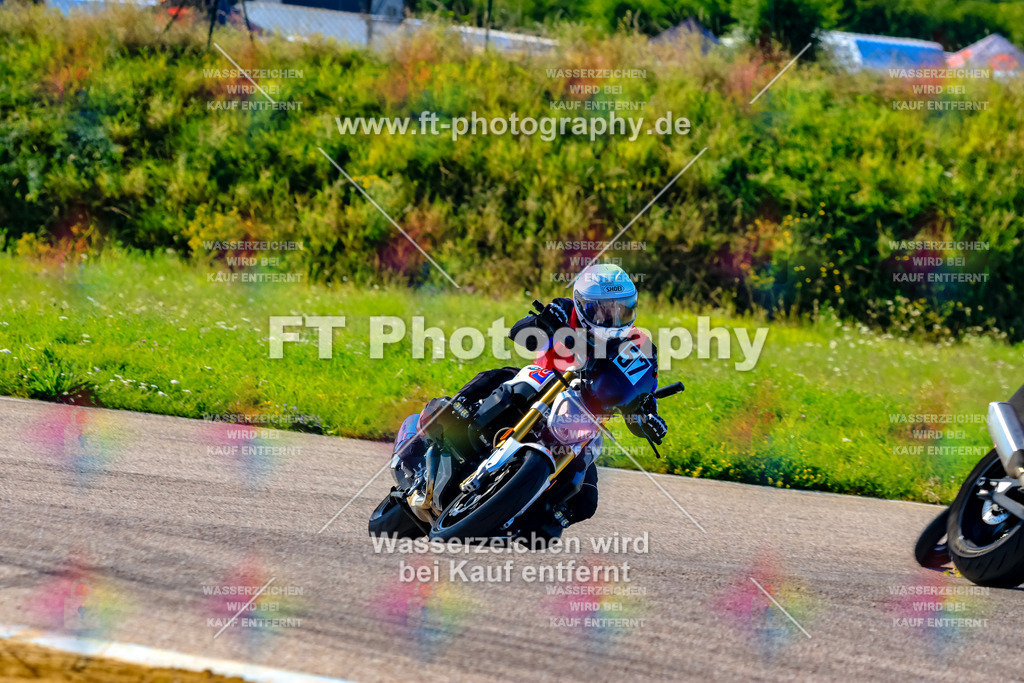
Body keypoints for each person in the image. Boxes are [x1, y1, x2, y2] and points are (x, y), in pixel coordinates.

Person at [507, 263, 667, 530]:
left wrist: (649, 419)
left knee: (584, 500)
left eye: (620, 309)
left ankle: (511, 522)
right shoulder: (566, 309)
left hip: (582, 421)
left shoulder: (640, 346)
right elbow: (520, 334)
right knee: (496, 379)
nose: (613, 318)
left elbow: (640, 400)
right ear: (582, 304)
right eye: (603, 309)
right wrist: (545, 322)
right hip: (541, 387)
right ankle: (440, 421)